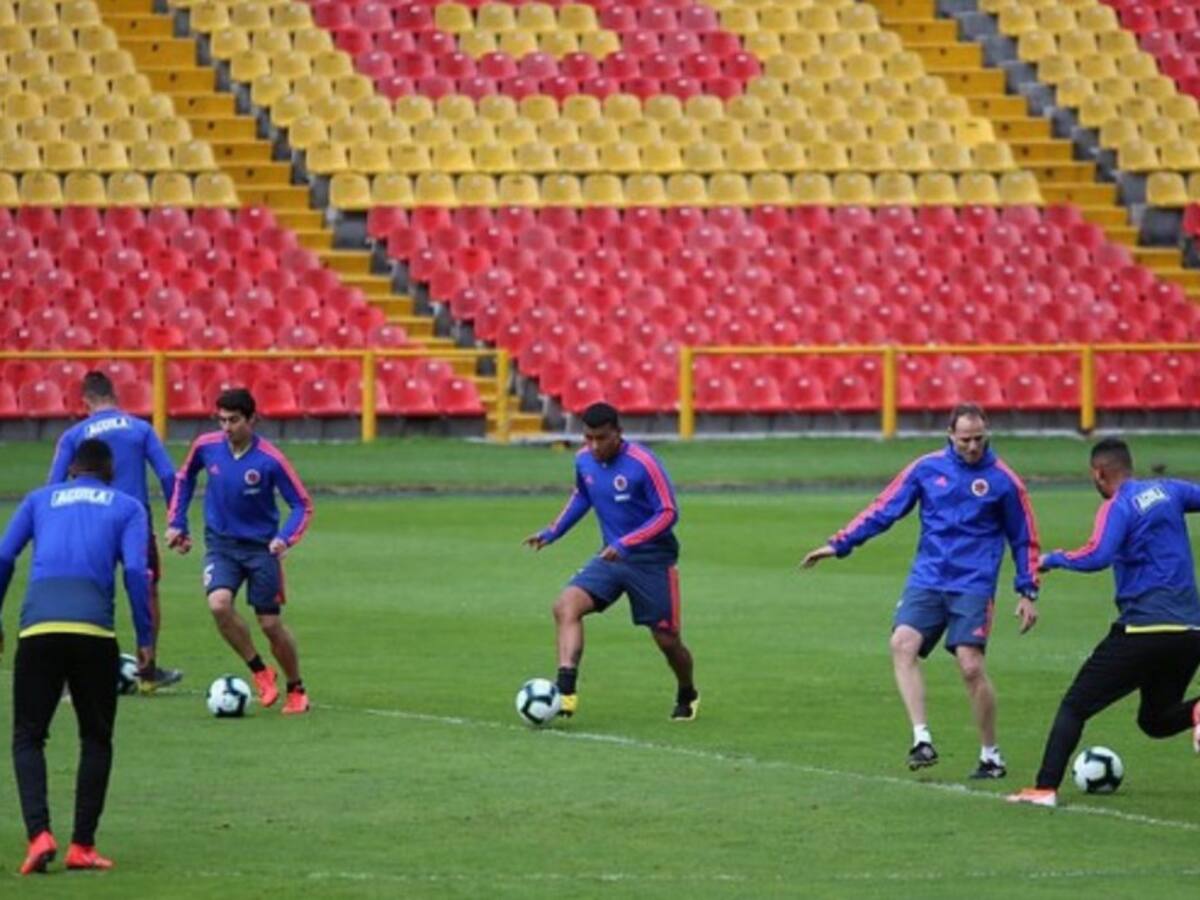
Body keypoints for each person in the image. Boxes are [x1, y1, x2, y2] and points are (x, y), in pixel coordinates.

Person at [801, 403, 1040, 777]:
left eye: (979, 439)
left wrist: (1027, 590)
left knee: (970, 666)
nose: (973, 447)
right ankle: (921, 739)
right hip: (928, 578)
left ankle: (991, 755)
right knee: (902, 644)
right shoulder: (926, 469)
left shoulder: (1003, 481)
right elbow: (884, 509)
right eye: (965, 440)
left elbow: (1024, 538)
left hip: (973, 584)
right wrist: (840, 543)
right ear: (950, 435)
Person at [1008, 438, 1200, 808]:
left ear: (1099, 474)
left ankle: (1044, 789)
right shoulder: (1170, 490)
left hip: (1143, 629)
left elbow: (1098, 555)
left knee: (1074, 706)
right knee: (1156, 719)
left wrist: (1053, 559)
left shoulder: (1118, 506)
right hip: (1191, 632)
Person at [0, 439, 154, 874]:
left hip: (38, 630)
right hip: (93, 632)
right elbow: (136, 571)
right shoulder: (127, 507)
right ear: (110, 472)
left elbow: (4, 556)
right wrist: (145, 636)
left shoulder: (38, 499)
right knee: (96, 737)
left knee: (28, 736)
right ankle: (82, 846)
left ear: (71, 469)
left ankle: (39, 835)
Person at [524, 402, 698, 721]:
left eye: (601, 438)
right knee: (565, 606)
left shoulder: (643, 463)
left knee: (667, 640)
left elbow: (668, 513)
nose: (594, 446)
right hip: (611, 558)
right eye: (588, 438)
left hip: (651, 561)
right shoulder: (583, 460)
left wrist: (627, 542)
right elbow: (582, 496)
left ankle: (687, 691)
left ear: (618, 433)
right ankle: (565, 691)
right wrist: (552, 532)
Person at [165, 388, 313, 715]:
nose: (226, 428)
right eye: (222, 420)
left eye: (233, 420)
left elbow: (302, 505)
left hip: (262, 550)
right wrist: (177, 523)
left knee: (270, 624)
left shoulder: (270, 460)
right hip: (221, 546)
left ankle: (296, 688)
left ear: (252, 420)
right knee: (219, 605)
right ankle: (260, 671)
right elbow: (184, 479)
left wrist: (285, 539)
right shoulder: (206, 447)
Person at [47, 371, 181, 689]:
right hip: (136, 521)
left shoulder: (74, 435)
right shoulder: (140, 428)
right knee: (147, 588)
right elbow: (167, 475)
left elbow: (53, 486)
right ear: (115, 396)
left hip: (91, 522)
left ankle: (73, 678)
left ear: (86, 401)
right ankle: (148, 671)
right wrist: (177, 519)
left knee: (88, 591)